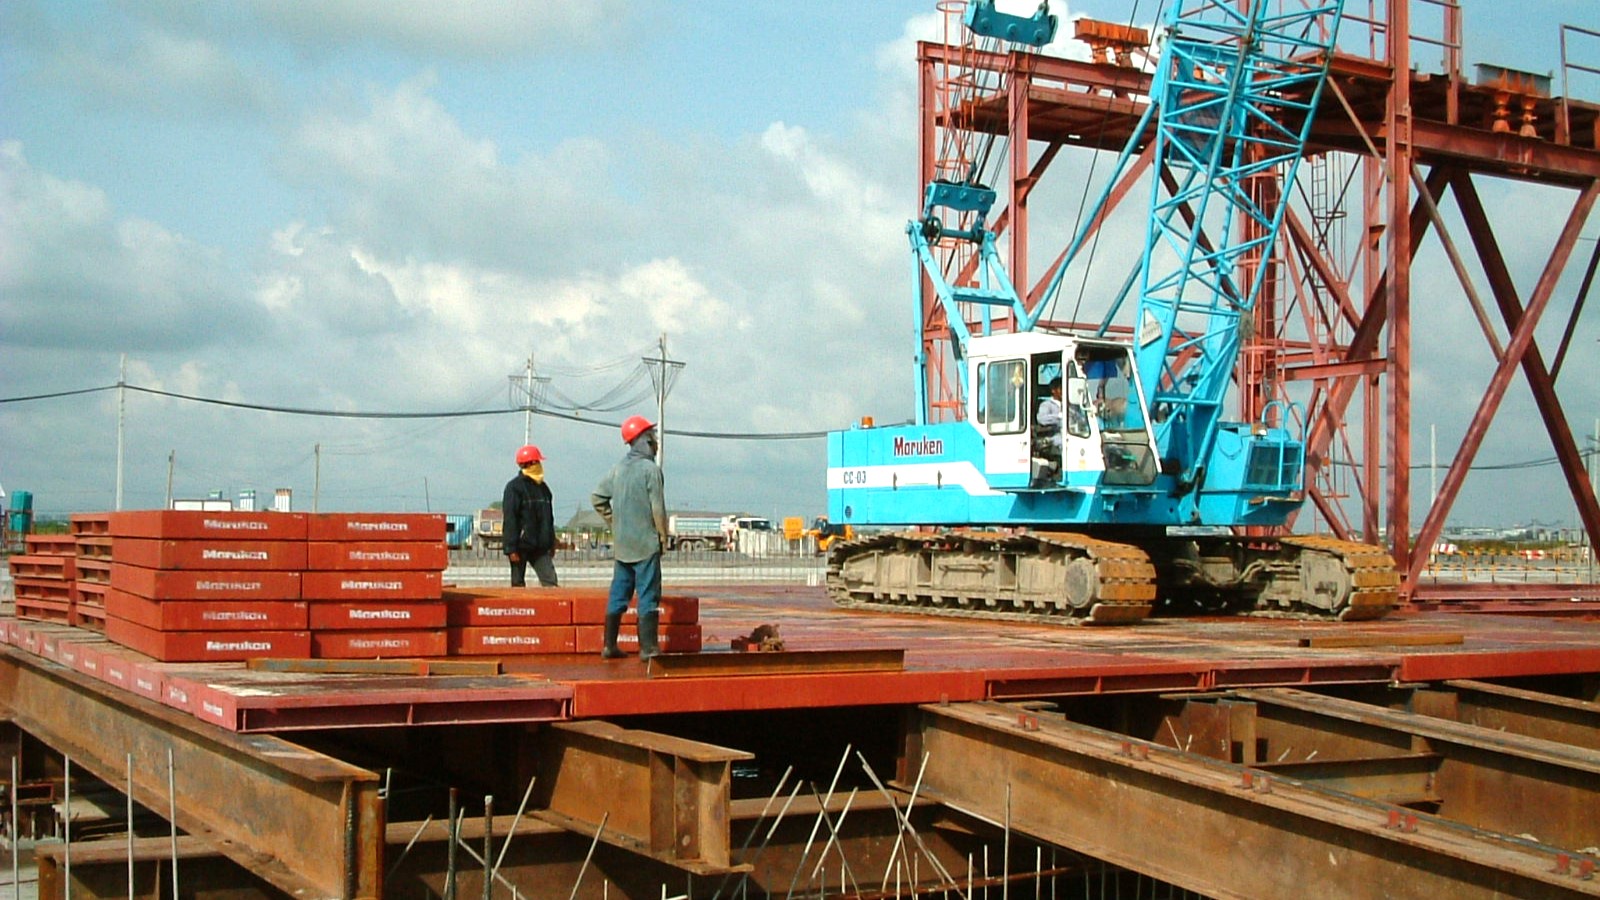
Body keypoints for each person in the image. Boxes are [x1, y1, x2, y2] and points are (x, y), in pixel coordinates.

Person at [590, 415, 669, 660]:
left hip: (623, 546)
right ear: (645, 440)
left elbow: (597, 498)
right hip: (645, 544)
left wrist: (615, 523)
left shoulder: (618, 469)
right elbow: (657, 508)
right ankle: (648, 648)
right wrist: (663, 536)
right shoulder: (650, 470)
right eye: (652, 437)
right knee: (648, 595)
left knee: (618, 594)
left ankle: (609, 646)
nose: (655, 442)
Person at [502, 444, 558, 588]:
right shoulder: (514, 488)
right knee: (518, 585)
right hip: (520, 546)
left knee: (550, 582)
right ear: (526, 464)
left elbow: (549, 519)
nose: (539, 465)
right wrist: (510, 548)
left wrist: (551, 542)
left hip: (541, 546)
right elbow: (510, 519)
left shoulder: (544, 489)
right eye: (536, 462)